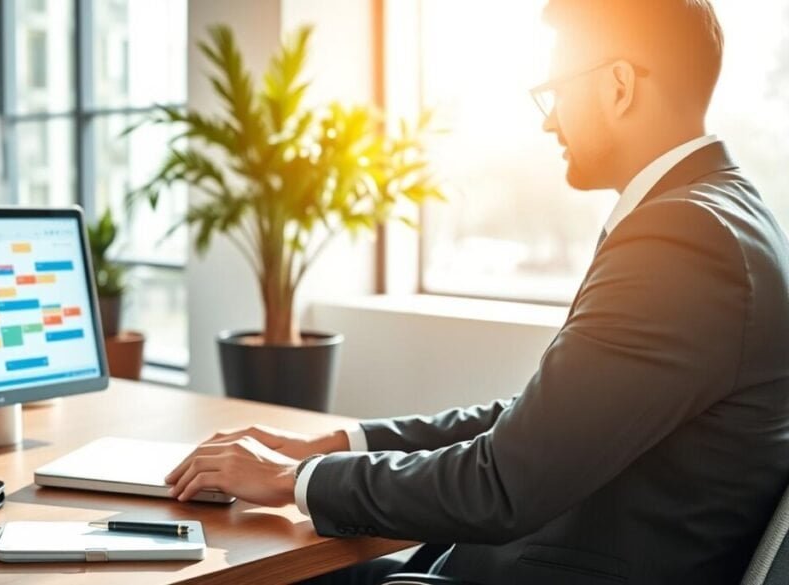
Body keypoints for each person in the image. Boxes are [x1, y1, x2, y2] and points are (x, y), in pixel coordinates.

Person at [165, 1, 789, 583]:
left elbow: (503, 484)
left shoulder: (681, 241)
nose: (548, 120)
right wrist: (337, 442)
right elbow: (542, 425)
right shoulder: (725, 214)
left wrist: (294, 478)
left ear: (618, 85)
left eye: (555, 92)